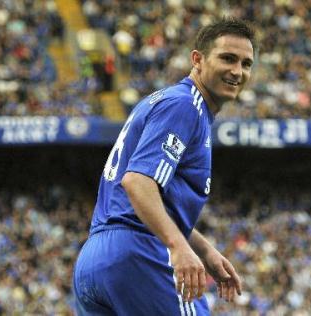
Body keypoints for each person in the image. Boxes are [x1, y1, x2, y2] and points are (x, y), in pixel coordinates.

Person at [73, 17, 256, 315]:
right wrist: (177, 246)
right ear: (197, 59)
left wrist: (203, 249)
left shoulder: (165, 102)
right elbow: (137, 182)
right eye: (228, 58)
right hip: (139, 253)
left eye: (246, 64)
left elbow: (157, 200)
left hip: (96, 260)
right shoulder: (185, 106)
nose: (237, 71)